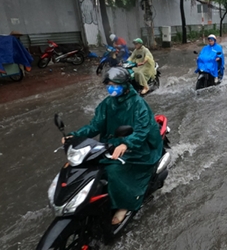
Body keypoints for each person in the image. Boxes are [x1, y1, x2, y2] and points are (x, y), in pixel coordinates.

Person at [64, 67, 163, 225]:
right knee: (88, 166)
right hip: (111, 144)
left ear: (125, 85)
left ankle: (125, 203)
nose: (112, 88)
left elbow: (141, 130)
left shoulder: (138, 104)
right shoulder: (107, 104)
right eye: (109, 85)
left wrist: (126, 143)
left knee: (113, 170)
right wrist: (75, 135)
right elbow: (95, 125)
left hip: (138, 146)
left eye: (115, 85)